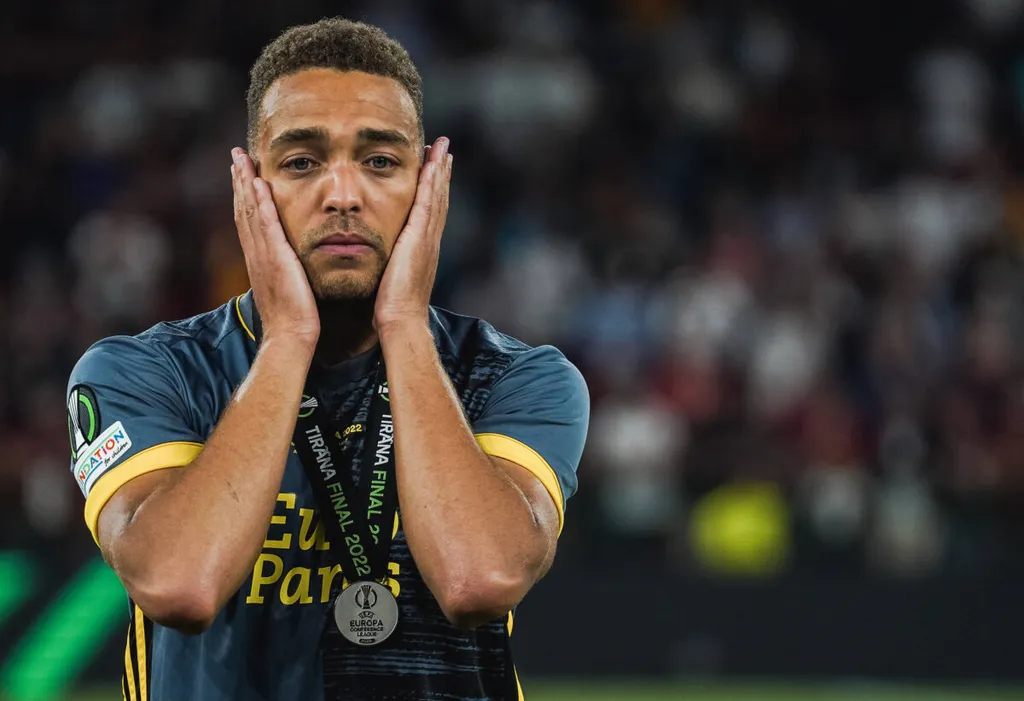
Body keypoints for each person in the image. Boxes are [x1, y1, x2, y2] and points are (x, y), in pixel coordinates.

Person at [64, 17, 589, 701]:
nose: (342, 195)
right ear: (249, 186)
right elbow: (178, 583)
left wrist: (402, 323)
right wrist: (287, 339)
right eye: (302, 162)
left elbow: (477, 580)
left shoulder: (517, 377)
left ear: (430, 184)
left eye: (379, 161)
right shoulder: (144, 374)